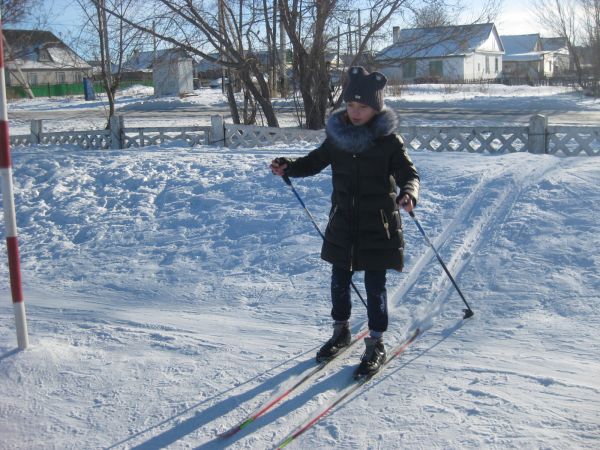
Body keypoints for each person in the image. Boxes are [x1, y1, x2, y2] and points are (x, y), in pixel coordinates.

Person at [271, 66, 419, 378]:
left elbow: (409, 174)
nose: (354, 111)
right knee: (339, 282)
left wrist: (408, 193)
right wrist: (289, 166)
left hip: (379, 225)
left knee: (374, 287)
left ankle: (376, 342)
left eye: (362, 107)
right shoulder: (337, 139)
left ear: (375, 108)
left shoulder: (389, 142)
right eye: (350, 105)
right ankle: (341, 332)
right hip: (343, 224)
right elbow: (313, 162)